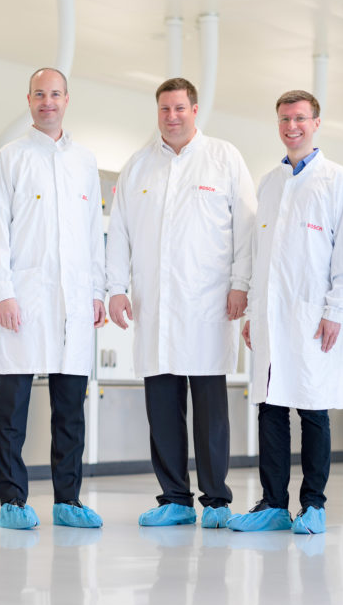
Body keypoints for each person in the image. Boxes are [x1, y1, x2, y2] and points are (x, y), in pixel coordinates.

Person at [106, 77, 257, 528]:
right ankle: (174, 497)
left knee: (210, 412)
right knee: (163, 409)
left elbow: (247, 230)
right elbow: (120, 234)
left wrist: (241, 283)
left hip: (210, 305)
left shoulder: (224, 158)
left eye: (179, 108)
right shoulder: (137, 167)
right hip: (155, 307)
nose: (171, 117)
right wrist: (115, 287)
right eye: (164, 109)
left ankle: (216, 500)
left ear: (195, 110)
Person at [227, 89, 343, 535]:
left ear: (316, 123)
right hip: (270, 316)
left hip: (312, 317)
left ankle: (314, 505)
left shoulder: (337, 180)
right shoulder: (269, 182)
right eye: (285, 119)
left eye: (300, 118)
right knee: (270, 407)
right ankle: (272, 504)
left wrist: (336, 310)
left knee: (313, 408)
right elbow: (259, 252)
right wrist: (251, 309)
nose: (292, 127)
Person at [0, 67, 106, 530]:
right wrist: (4, 293)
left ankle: (67, 500)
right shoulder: (10, 158)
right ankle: (13, 500)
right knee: (12, 410)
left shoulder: (85, 161)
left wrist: (96, 291)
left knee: (70, 411)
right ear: (29, 100)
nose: (48, 102)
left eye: (55, 94)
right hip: (25, 300)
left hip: (74, 304)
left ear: (67, 99)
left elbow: (96, 232)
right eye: (40, 94)